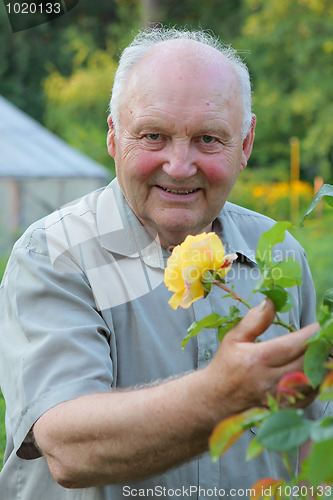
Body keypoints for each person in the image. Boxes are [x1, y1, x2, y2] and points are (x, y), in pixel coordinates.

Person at [0, 27, 324, 500]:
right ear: (113, 135)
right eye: (153, 135)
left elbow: (313, 447)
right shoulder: (58, 255)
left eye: (209, 139)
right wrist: (223, 393)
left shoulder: (279, 255)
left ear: (246, 143)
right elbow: (69, 449)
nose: (178, 164)